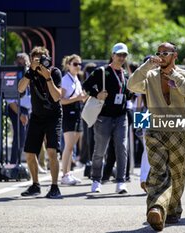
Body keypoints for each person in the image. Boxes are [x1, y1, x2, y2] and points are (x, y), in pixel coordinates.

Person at [127, 42, 185, 231]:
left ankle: (172, 210)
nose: (160, 56)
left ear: (175, 55)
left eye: (165, 53)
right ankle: (157, 208)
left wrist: (175, 76)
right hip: (155, 130)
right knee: (158, 171)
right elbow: (132, 85)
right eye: (158, 53)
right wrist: (146, 66)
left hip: (178, 131)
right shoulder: (150, 75)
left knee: (178, 174)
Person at [83, 42, 130, 194]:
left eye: (124, 55)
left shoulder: (126, 74)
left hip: (121, 115)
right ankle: (96, 179)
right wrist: (97, 94)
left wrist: (132, 93)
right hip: (104, 116)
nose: (121, 57)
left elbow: (127, 94)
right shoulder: (102, 71)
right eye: (119, 54)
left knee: (122, 148)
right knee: (100, 150)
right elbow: (86, 85)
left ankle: (121, 181)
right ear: (112, 55)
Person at [18, 46, 63, 198]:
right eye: (36, 59)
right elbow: (20, 88)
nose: (39, 61)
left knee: (52, 151)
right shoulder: (30, 73)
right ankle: (35, 185)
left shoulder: (54, 72)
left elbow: (57, 97)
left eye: (42, 58)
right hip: (37, 116)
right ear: (31, 60)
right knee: (30, 153)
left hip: (53, 116)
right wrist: (30, 71)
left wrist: (48, 77)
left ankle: (55, 186)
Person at [60, 54, 86, 185]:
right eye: (75, 64)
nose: (78, 66)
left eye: (79, 64)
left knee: (72, 146)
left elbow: (79, 97)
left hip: (77, 112)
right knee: (68, 146)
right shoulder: (65, 79)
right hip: (68, 113)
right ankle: (64, 174)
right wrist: (78, 98)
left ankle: (68, 172)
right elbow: (62, 100)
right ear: (68, 65)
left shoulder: (76, 79)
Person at [7, 53, 31, 165]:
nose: (22, 65)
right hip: (17, 109)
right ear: (16, 63)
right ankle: (13, 163)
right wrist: (20, 114)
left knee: (24, 139)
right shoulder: (13, 75)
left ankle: (17, 163)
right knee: (19, 137)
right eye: (20, 63)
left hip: (27, 110)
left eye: (25, 63)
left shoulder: (29, 76)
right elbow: (10, 101)